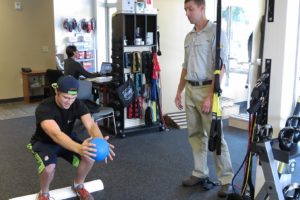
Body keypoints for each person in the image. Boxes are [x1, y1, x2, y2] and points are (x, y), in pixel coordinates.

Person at [174, 0, 234, 198]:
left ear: (202, 8)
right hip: (191, 90)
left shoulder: (216, 32)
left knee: (216, 137)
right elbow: (185, 66)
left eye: (190, 9)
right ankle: (200, 173)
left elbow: (221, 67)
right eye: (185, 10)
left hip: (208, 90)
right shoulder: (188, 37)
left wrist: (210, 96)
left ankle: (226, 180)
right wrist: (179, 91)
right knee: (195, 135)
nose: (187, 13)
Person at [27, 75, 115, 200]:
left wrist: (101, 142)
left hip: (67, 138)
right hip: (45, 142)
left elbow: (90, 125)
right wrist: (79, 148)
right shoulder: (44, 108)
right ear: (56, 92)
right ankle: (44, 194)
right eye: (66, 97)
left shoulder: (77, 104)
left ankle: (78, 185)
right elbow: (56, 135)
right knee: (49, 168)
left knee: (89, 156)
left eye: (73, 98)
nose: (69, 101)